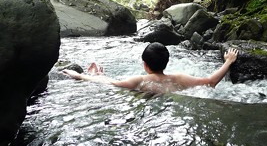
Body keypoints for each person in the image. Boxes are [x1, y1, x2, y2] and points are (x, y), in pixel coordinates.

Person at [62, 42, 239, 94]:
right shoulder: (179, 79)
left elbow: (111, 83)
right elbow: (211, 82)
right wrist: (228, 61)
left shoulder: (140, 80)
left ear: (145, 65)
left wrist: (80, 76)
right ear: (167, 62)